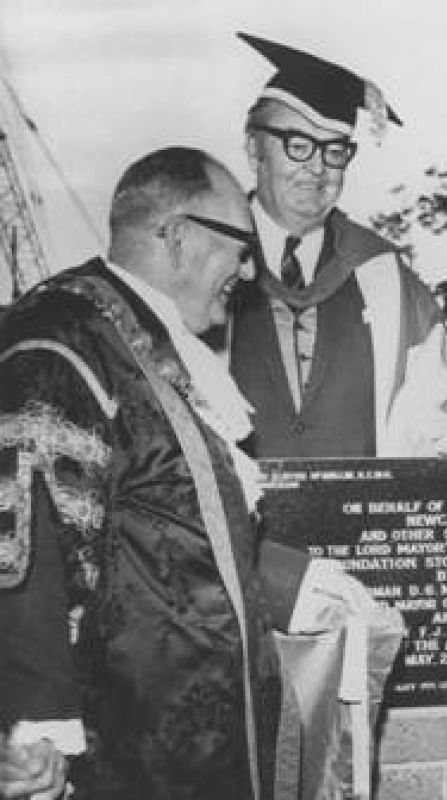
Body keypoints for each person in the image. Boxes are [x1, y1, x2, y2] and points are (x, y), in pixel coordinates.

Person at [0, 147, 382, 799]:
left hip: (200, 742)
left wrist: (304, 586)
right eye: (239, 245)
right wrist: (37, 725)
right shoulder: (57, 339)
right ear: (176, 235)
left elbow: (182, 528)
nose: (248, 268)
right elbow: (22, 536)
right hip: (125, 748)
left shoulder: (148, 344)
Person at [229, 34, 447, 458]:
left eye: (336, 150)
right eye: (299, 146)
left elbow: (431, 413)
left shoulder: (384, 274)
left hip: (357, 521)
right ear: (254, 151)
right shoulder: (209, 259)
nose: (318, 168)